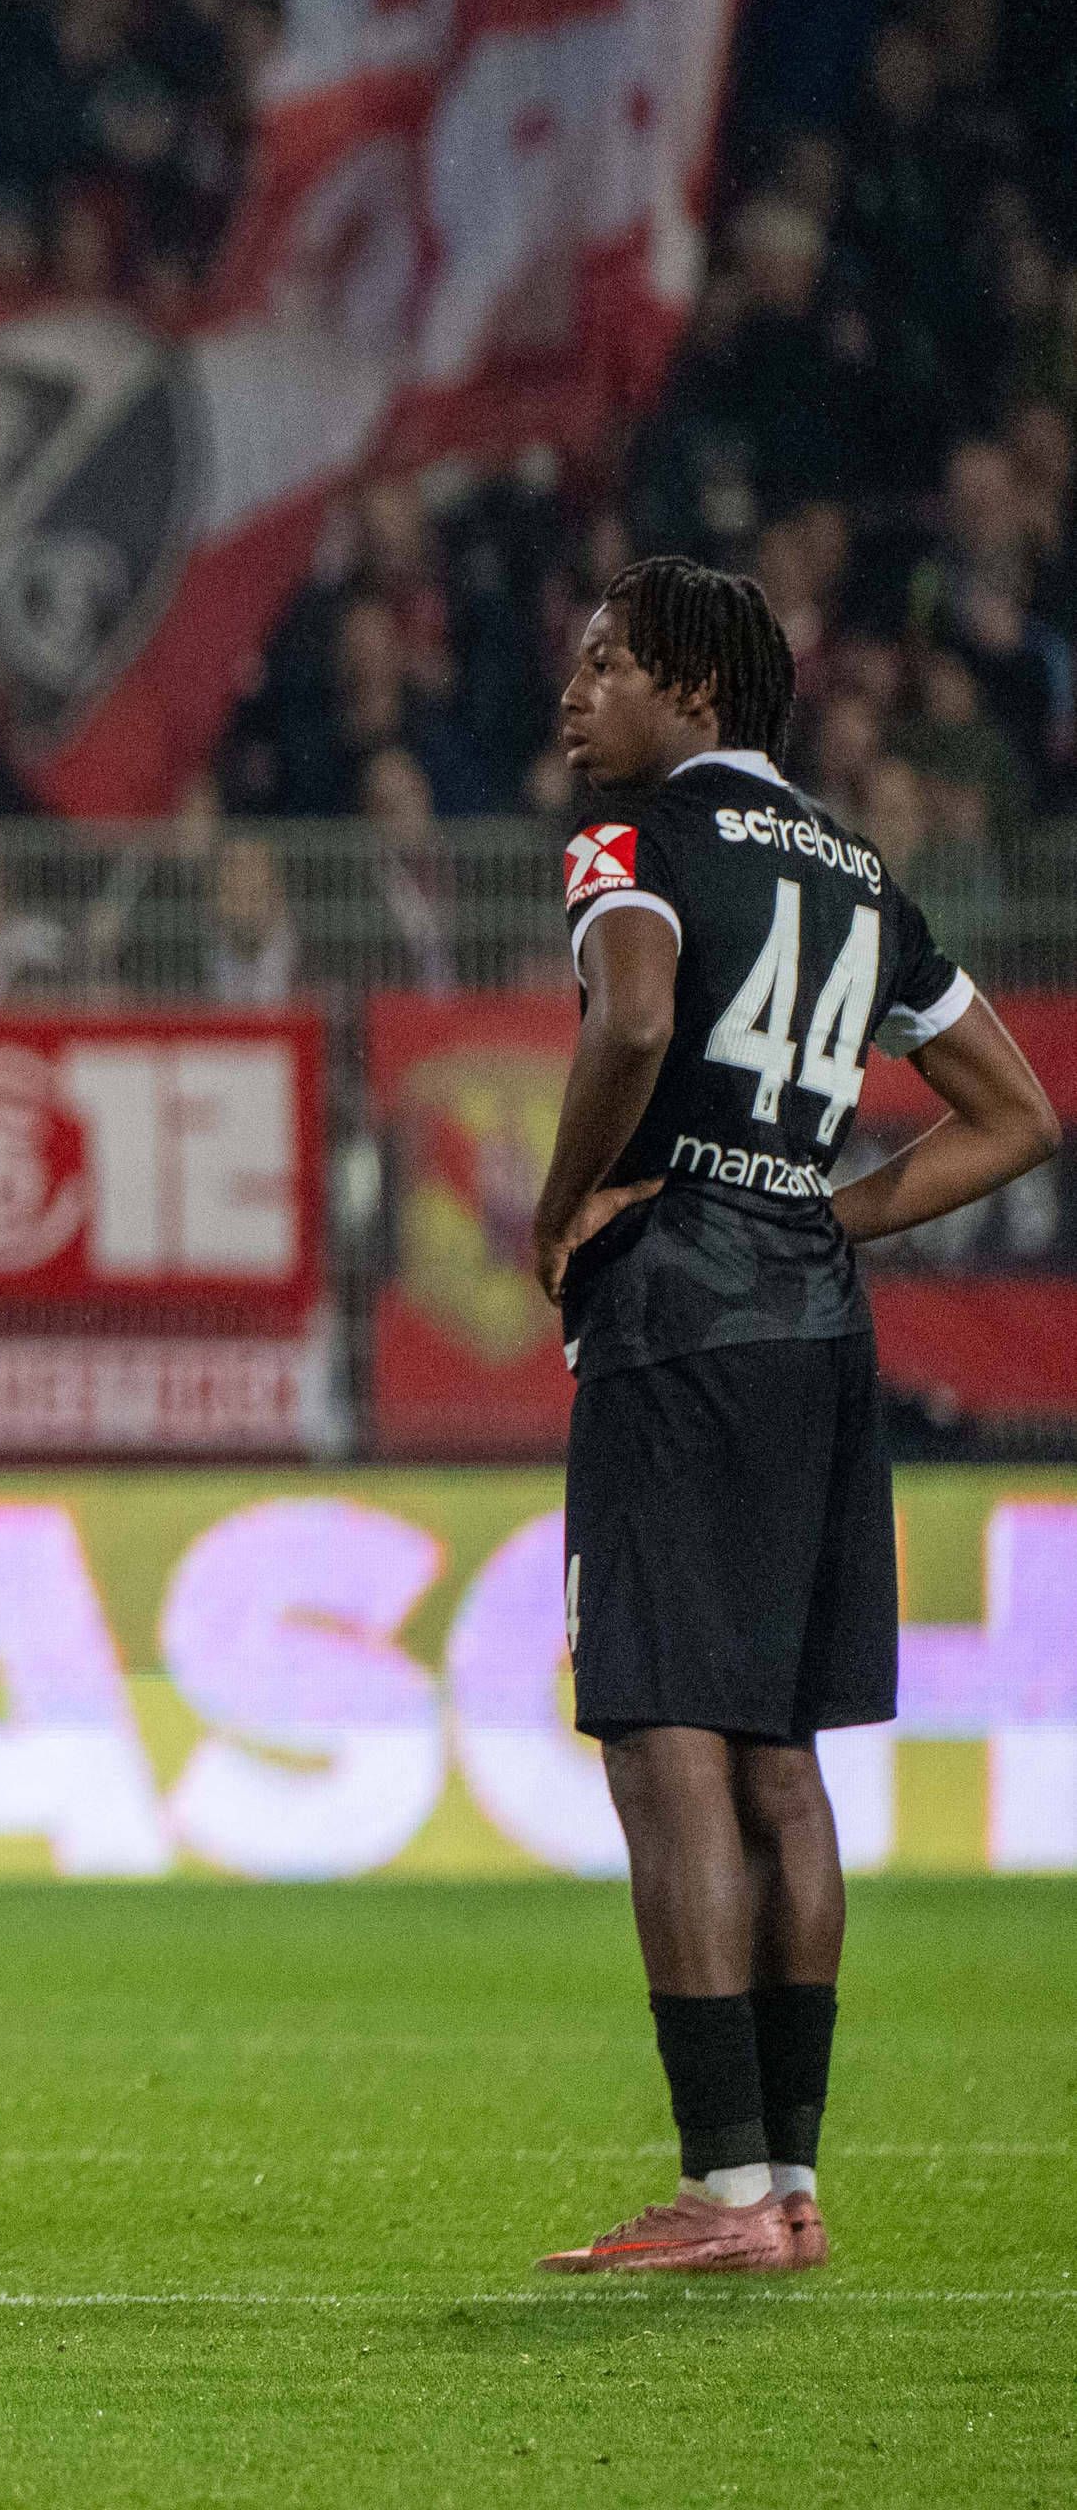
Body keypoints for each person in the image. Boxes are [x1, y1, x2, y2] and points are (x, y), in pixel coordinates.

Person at [528, 558, 1056, 2276]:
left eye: (607, 664)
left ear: (693, 688)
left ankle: (723, 2192)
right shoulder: (858, 870)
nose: (575, 695)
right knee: (779, 1758)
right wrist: (827, 1210)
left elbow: (634, 1013)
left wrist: (566, 1201)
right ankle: (792, 2187)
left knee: (664, 1738)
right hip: (819, 1332)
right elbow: (1017, 1117)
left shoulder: (633, 841)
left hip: (678, 1324)